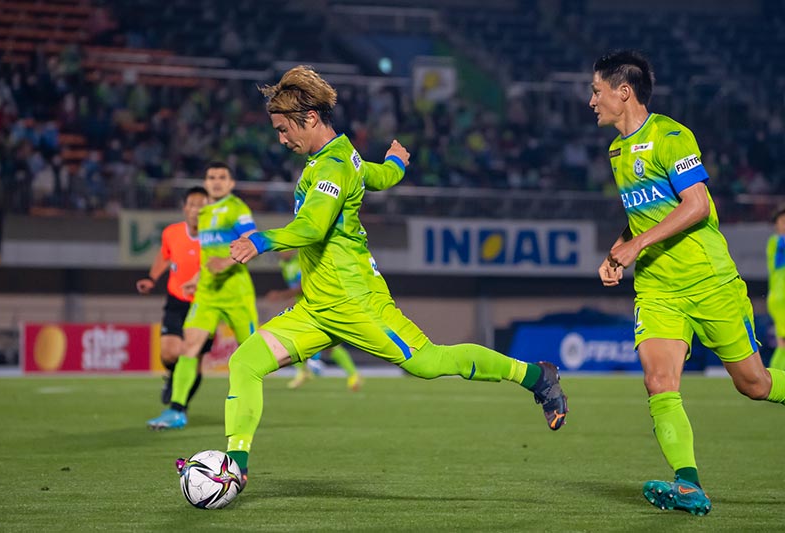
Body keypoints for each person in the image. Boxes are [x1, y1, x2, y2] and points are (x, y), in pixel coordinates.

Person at [179, 65, 568, 490]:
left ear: (310, 118)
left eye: (283, 129)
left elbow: (313, 227)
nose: (281, 139)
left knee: (428, 363)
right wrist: (396, 163)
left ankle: (536, 377)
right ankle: (235, 467)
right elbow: (377, 176)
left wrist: (260, 240)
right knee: (245, 362)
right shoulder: (340, 157)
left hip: (357, 300)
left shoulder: (331, 166)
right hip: (318, 307)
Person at [590, 49, 785, 516]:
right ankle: (688, 484)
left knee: (754, 384)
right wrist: (618, 249)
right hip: (658, 288)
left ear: (624, 92)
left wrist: (637, 246)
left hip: (709, 280)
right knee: (658, 381)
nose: (591, 100)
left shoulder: (672, 136)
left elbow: (696, 204)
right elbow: (642, 215)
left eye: (596, 91)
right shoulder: (616, 151)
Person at [147, 162, 259, 430]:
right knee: (190, 347)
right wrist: (196, 279)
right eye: (211, 177)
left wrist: (227, 262)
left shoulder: (237, 209)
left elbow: (254, 240)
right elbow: (209, 256)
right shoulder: (205, 214)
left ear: (231, 184)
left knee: (252, 355)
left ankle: (247, 411)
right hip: (207, 294)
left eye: (222, 177)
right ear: (206, 183)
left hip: (236, 293)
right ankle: (176, 411)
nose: (216, 181)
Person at [136, 186, 211, 405]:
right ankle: (172, 377)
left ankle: (180, 405)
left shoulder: (215, 238)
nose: (196, 210)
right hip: (177, 300)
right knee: (169, 354)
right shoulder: (171, 232)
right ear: (184, 208)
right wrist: (151, 278)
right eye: (192, 205)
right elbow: (165, 256)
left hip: (205, 304)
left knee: (194, 360)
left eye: (201, 206)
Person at [265, 249, 362, 391]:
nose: (280, 252)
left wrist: (281, 295)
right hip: (305, 305)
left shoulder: (301, 260)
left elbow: (303, 287)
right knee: (289, 338)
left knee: (329, 345)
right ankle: (304, 371)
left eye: (283, 249)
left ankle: (352, 374)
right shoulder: (284, 264)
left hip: (317, 305)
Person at [767, 205, 785, 370]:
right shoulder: (776, 242)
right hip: (781, 299)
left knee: (782, 342)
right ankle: (776, 375)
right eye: (783, 221)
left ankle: (775, 375)